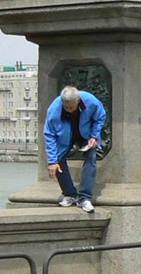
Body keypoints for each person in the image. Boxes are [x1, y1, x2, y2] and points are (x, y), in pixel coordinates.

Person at [43, 85, 106, 213]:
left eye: (72, 107)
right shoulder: (54, 109)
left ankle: (84, 198)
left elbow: (100, 117)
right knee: (58, 161)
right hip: (64, 136)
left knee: (91, 157)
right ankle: (70, 194)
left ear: (78, 101)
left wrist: (94, 136)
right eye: (66, 107)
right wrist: (52, 161)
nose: (69, 110)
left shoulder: (91, 101)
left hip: (85, 134)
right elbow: (49, 134)